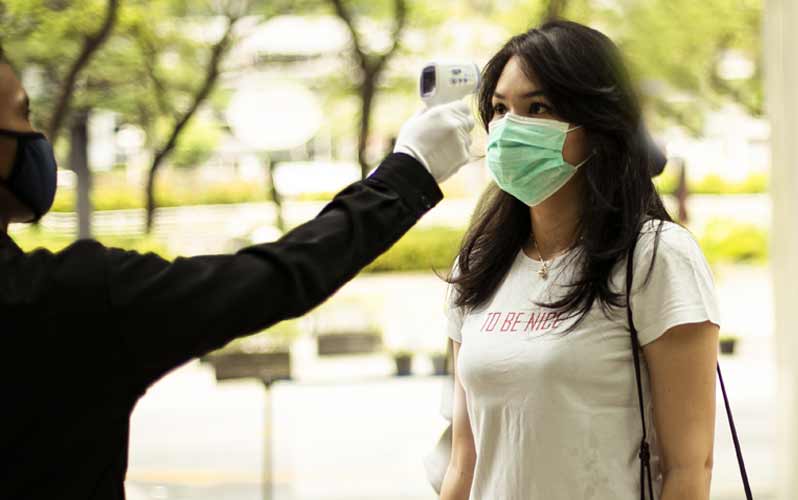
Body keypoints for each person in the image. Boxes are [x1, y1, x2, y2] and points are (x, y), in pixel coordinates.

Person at [0, 45, 474, 498]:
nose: (35, 135)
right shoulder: (70, 299)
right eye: (22, 115)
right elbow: (279, 277)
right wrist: (409, 172)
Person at [439, 21, 721, 500]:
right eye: (500, 109)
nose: (510, 128)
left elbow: (689, 470)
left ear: (596, 125)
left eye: (538, 108)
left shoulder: (655, 257)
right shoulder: (479, 266)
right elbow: (464, 461)